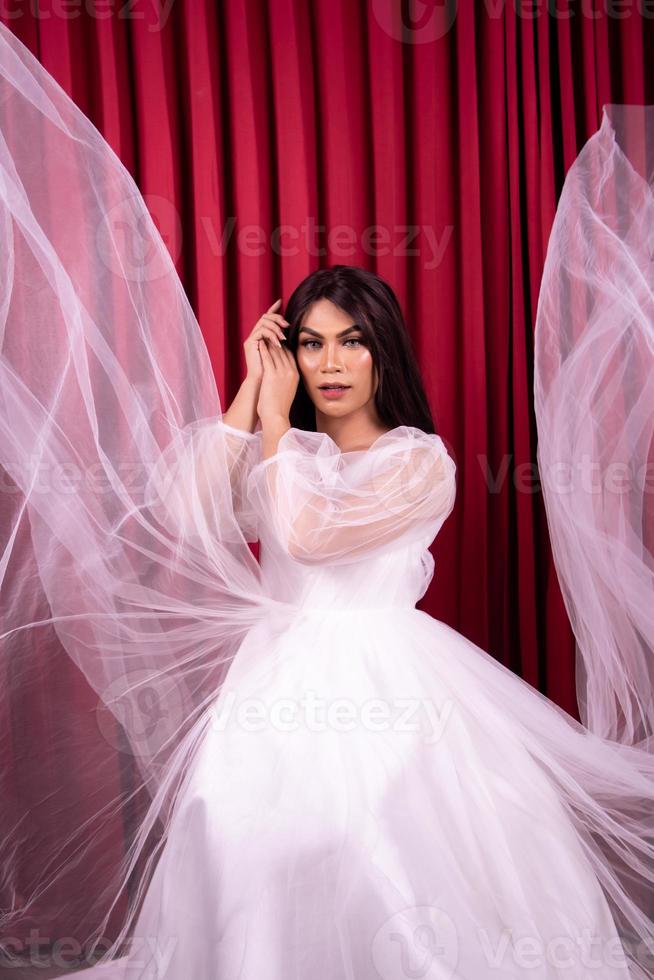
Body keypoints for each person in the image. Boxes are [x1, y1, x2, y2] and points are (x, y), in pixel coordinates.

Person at [0, 20, 653, 980]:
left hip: (388, 687)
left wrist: (271, 425)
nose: (331, 362)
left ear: (382, 349)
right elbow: (182, 517)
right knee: (249, 846)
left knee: (380, 859)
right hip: (274, 681)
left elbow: (304, 532)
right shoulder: (283, 440)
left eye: (350, 341)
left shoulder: (419, 462)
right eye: (309, 342)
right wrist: (245, 399)